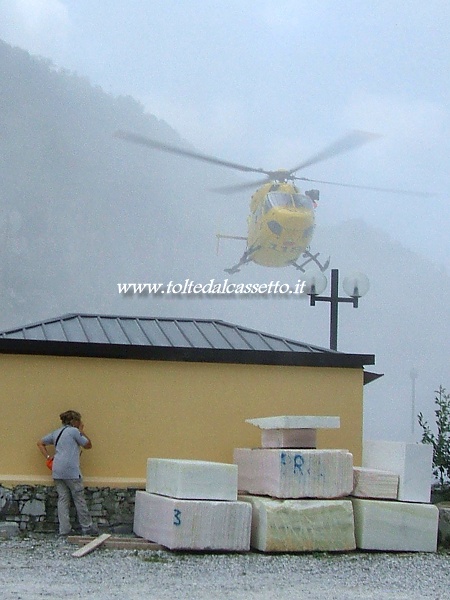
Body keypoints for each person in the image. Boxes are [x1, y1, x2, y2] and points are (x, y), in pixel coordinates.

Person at [37, 410, 98, 536]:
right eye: (79, 420)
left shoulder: (56, 432)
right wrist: (81, 430)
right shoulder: (74, 432)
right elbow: (88, 445)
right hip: (71, 470)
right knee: (78, 497)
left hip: (57, 469)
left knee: (63, 499)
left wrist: (48, 456)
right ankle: (87, 527)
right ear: (74, 421)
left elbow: (40, 442)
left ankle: (64, 529)